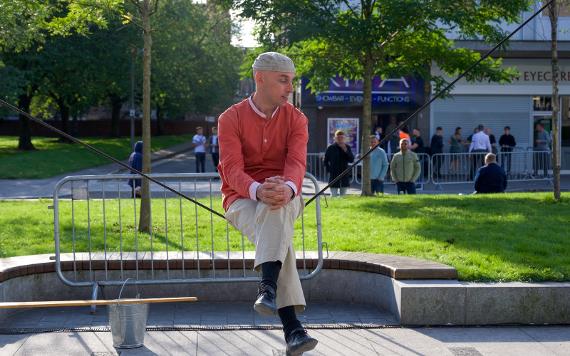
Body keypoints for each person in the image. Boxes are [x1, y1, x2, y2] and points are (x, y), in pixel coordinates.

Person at [218, 52, 317, 355]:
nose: (290, 87)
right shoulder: (229, 118)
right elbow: (231, 168)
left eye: (292, 81)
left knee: (276, 211)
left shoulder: (297, 118)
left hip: (287, 194)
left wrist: (286, 188)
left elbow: (297, 162)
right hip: (241, 198)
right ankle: (293, 330)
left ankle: (268, 289)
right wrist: (258, 189)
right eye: (283, 80)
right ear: (260, 78)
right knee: (277, 230)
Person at [324, 130, 355, 197]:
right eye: (338, 137)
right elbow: (325, 161)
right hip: (334, 175)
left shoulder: (347, 147)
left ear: (344, 138)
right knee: (333, 196)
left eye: (342, 137)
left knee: (343, 196)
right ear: (335, 138)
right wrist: (329, 170)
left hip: (344, 175)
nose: (340, 139)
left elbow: (351, 160)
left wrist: (345, 150)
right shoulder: (331, 148)